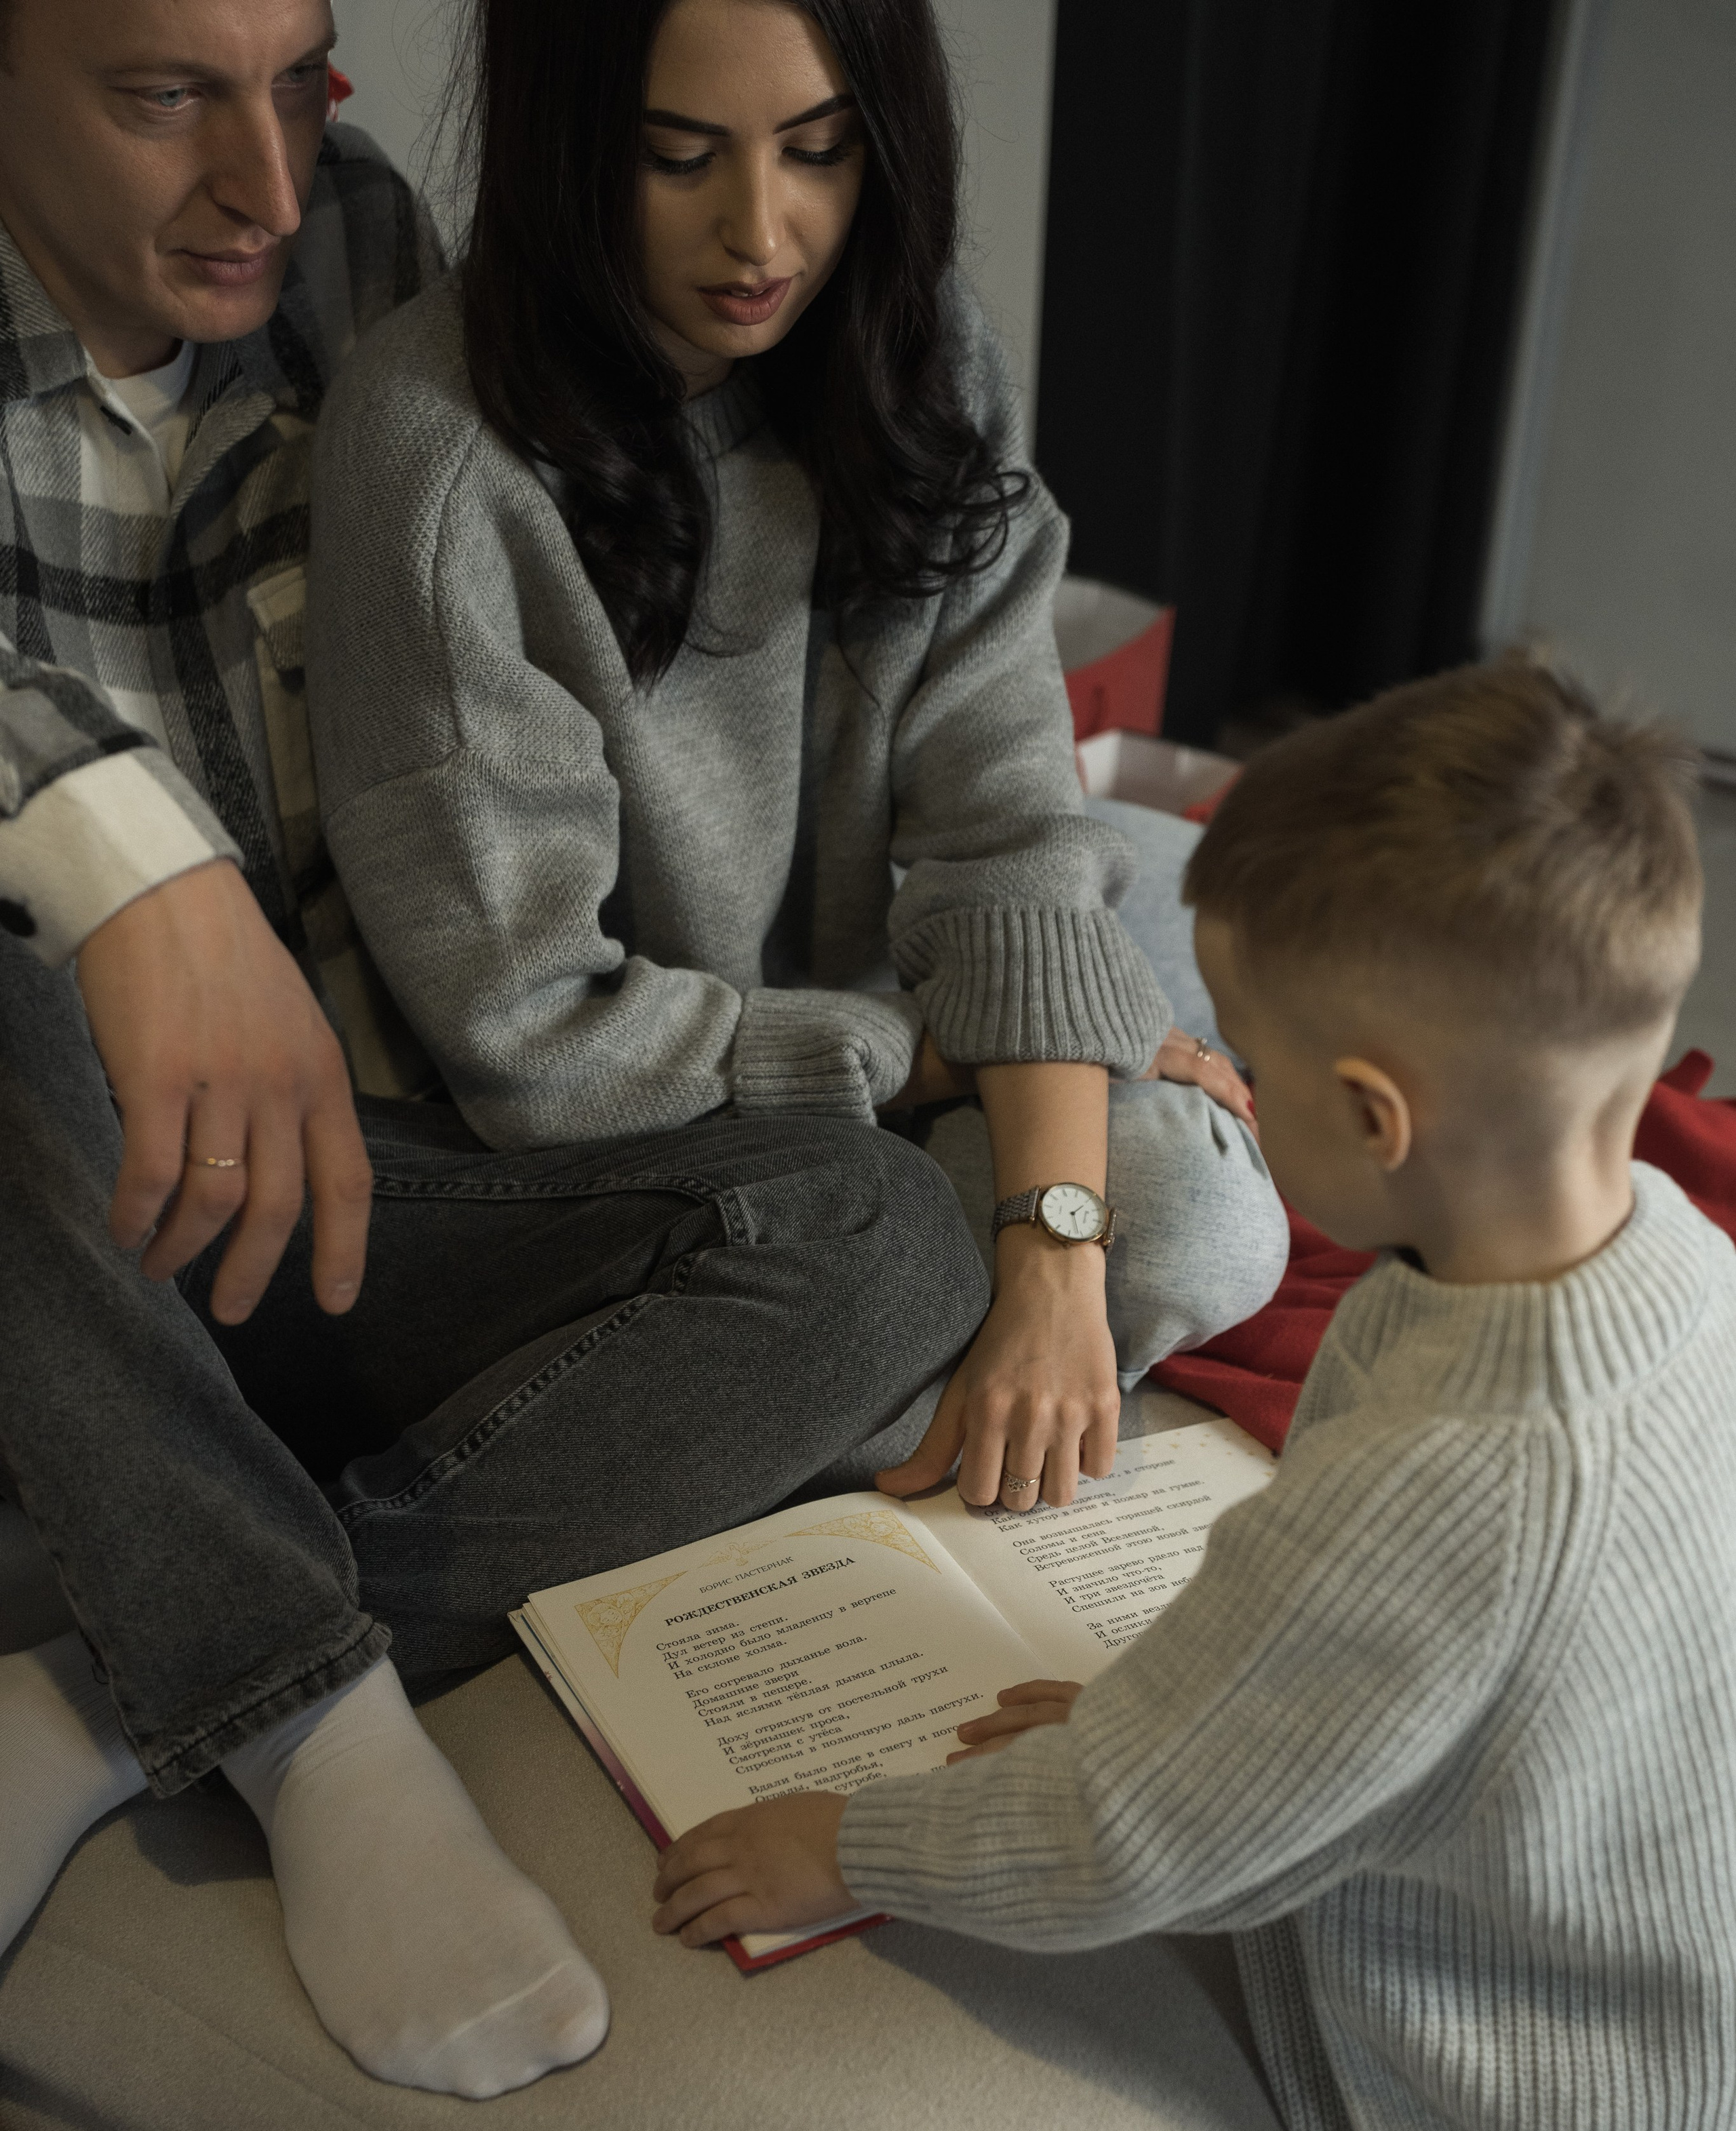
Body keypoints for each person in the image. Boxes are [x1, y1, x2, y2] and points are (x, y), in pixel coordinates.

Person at [651, 658, 1736, 2131]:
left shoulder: (1452, 1490)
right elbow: (1400, 1683)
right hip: (1680, 2030)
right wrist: (1163, 1698)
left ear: (1373, 1117)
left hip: (1520, 2127)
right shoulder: (1677, 1261)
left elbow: (1130, 1837)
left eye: (1243, 1054)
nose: (1209, 1077)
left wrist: (849, 1840)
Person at [0, 0, 982, 2097]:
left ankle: (123, 1677)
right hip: (60, 1214)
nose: (267, 182)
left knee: (884, 1237)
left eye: (303, 78)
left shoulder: (347, 237)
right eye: (168, 98)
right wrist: (124, 863)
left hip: (366, 1178)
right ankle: (306, 1722)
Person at [304, 0, 1289, 1527]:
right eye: (677, 158)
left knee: (1208, 1148)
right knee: (1028, 1217)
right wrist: (946, 1051)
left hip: (869, 1017)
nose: (762, 235)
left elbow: (1007, 827)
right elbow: (540, 1042)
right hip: (633, 1140)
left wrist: (1054, 1248)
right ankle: (783, 1404)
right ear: (567, 146)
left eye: (820, 151)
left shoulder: (913, 346)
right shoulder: (432, 453)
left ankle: (831, 1398)